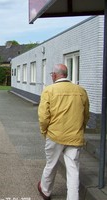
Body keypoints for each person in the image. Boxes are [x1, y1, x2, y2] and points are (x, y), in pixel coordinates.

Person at [37, 64, 89, 200]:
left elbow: (43, 117)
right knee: (73, 170)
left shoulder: (49, 91)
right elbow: (86, 115)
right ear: (66, 74)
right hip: (75, 136)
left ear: (54, 75)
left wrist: (44, 131)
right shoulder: (81, 91)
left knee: (51, 164)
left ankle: (45, 191)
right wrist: (80, 129)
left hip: (55, 135)